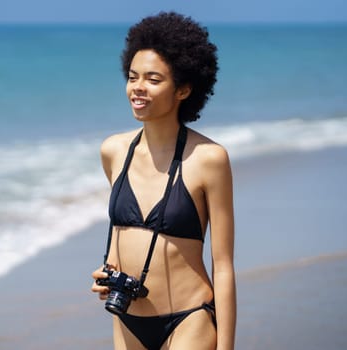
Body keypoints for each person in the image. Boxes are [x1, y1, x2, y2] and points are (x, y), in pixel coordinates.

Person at [91, 12, 236, 350]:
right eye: (132, 77)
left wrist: (227, 347)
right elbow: (120, 230)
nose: (138, 88)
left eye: (153, 79)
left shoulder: (209, 159)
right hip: (127, 321)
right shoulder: (113, 151)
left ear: (183, 89)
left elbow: (224, 265)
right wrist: (107, 272)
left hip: (189, 319)